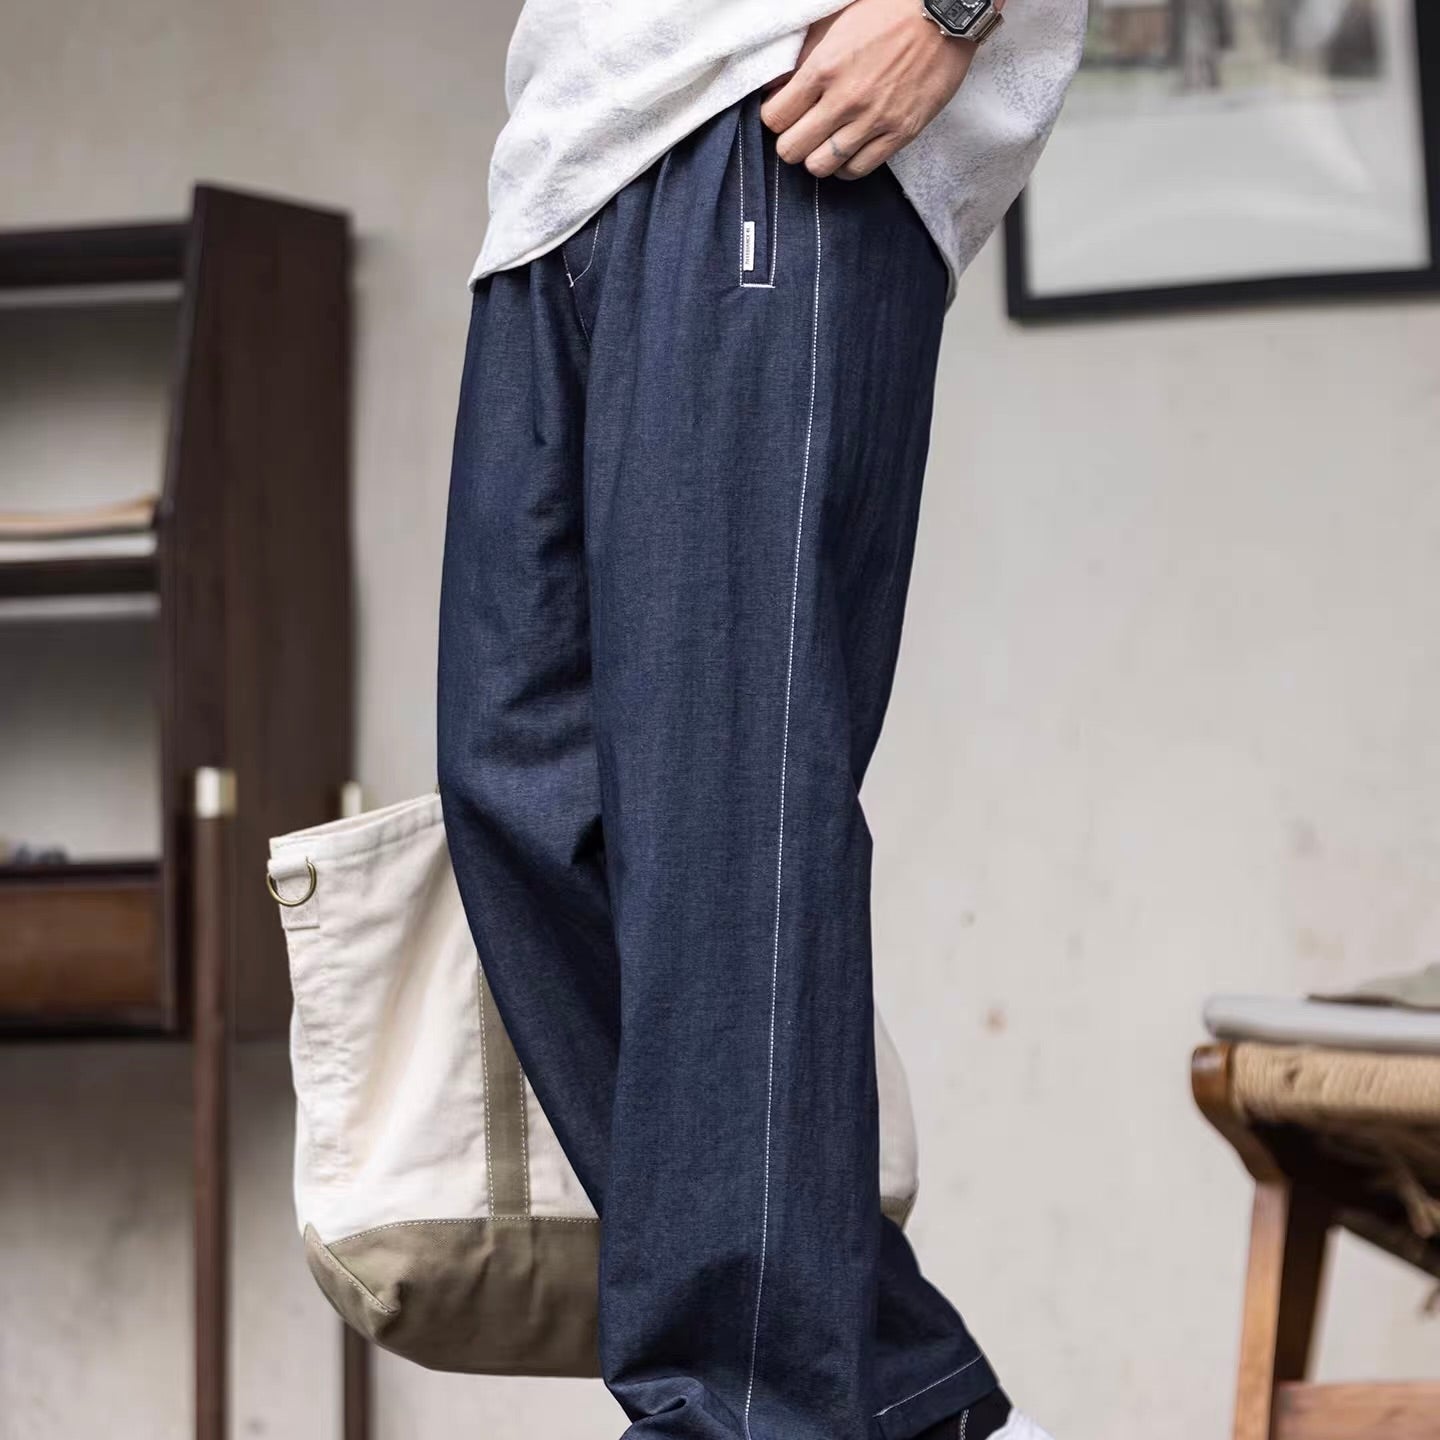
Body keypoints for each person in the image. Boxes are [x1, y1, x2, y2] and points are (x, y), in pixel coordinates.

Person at [437, 2, 1084, 1437]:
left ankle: (750, 1411)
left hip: (774, 117)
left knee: (724, 811)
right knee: (521, 791)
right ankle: (906, 1404)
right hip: (563, 160)